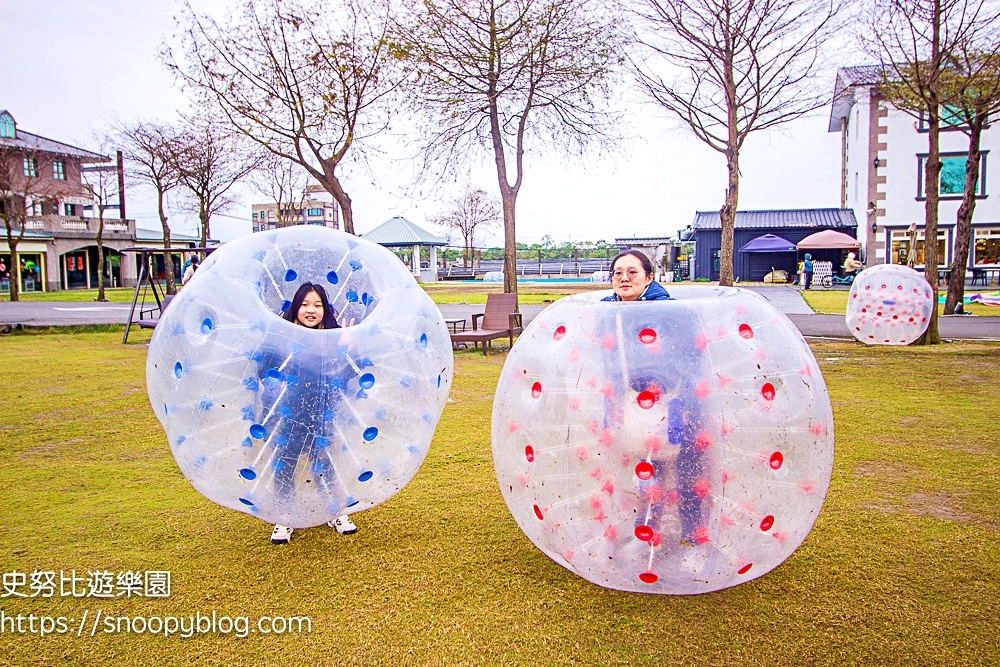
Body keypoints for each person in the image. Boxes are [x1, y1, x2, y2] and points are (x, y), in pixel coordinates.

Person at [263, 282, 359, 545]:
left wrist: (348, 347)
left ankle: (336, 511)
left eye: (317, 305)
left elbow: (352, 373)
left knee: (327, 463)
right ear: (295, 308)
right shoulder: (283, 336)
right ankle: (284, 516)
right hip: (290, 412)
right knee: (285, 461)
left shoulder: (335, 335)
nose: (310, 310)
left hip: (324, 412)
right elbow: (266, 366)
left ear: (325, 310)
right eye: (305, 304)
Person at [601, 250, 672, 302]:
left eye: (632, 272)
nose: (624, 278)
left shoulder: (667, 308)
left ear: (649, 278)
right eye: (618, 273)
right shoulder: (603, 307)